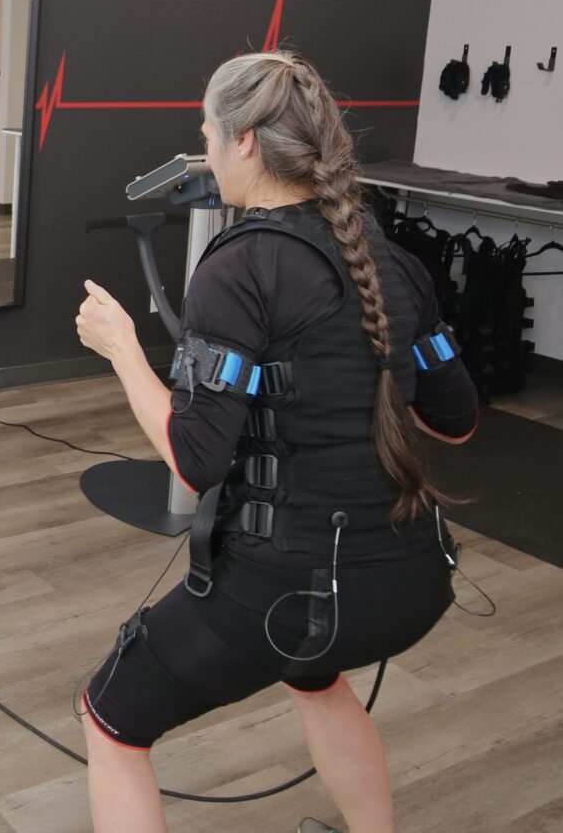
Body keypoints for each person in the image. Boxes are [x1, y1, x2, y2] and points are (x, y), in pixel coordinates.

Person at [72, 52, 479, 833]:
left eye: (208, 135)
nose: (209, 150)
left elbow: (195, 461)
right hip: (413, 583)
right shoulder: (391, 263)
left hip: (292, 596)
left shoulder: (236, 267)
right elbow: (454, 419)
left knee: (109, 717)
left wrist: (123, 350)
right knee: (314, 679)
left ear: (247, 142)